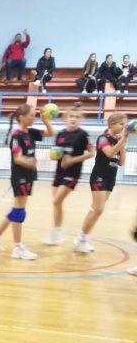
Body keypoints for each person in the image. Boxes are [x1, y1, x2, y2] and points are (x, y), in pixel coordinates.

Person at [0, 103, 54, 260]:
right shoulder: (16, 135)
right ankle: (17, 248)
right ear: (22, 117)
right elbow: (17, 158)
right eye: (31, 115)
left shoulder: (30, 132)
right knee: (19, 212)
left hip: (29, 175)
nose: (34, 118)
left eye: (34, 115)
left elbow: (50, 133)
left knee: (15, 211)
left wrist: (46, 121)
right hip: (20, 176)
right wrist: (30, 162)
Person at [44, 103, 95, 251]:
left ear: (80, 120)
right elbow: (56, 152)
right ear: (65, 118)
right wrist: (54, 156)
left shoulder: (83, 135)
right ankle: (56, 233)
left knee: (56, 200)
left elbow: (91, 153)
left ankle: (58, 233)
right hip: (59, 172)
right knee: (57, 204)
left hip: (73, 173)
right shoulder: (60, 134)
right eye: (71, 116)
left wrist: (73, 160)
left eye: (77, 117)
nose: (73, 119)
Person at [77, 113, 130, 253]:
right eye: (121, 124)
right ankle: (81, 239)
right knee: (98, 209)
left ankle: (82, 238)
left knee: (98, 210)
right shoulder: (103, 138)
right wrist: (122, 140)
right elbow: (110, 153)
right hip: (99, 177)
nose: (124, 127)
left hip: (110, 178)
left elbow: (121, 162)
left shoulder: (118, 140)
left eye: (125, 124)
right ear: (112, 124)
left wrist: (122, 142)